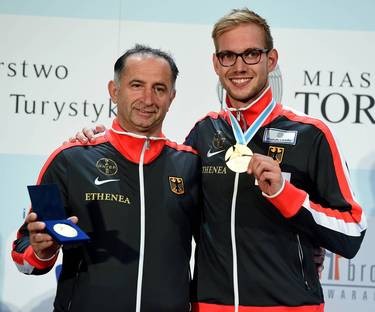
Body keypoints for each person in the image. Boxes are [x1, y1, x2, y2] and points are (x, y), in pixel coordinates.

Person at [75, 8, 367, 312]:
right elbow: (160, 202)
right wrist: (99, 140)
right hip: (209, 306)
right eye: (228, 55)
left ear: (271, 59)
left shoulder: (310, 134)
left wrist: (286, 195)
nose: (239, 66)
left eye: (251, 54)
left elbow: (352, 232)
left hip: (289, 306)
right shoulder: (202, 133)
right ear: (216, 63)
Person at [11, 44, 201, 312]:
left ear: (172, 96)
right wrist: (42, 251)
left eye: (159, 88)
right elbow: (23, 255)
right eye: (136, 85)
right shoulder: (69, 160)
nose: (148, 99)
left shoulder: (191, 165)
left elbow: (215, 248)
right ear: (114, 91)